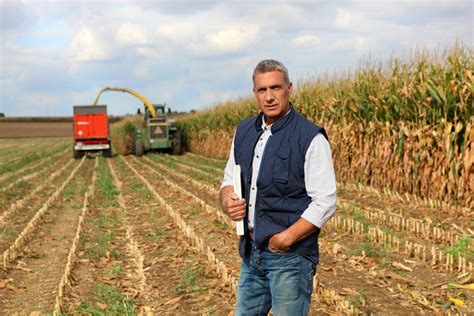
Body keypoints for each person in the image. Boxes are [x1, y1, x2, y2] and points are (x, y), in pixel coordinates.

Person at [219, 59, 337, 315]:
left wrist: (286, 239)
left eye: (276, 88)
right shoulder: (243, 131)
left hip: (290, 259)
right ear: (255, 93)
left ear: (289, 88)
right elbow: (229, 178)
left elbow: (325, 201)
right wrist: (228, 198)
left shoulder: (310, 137)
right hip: (251, 254)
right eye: (262, 90)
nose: (269, 97)